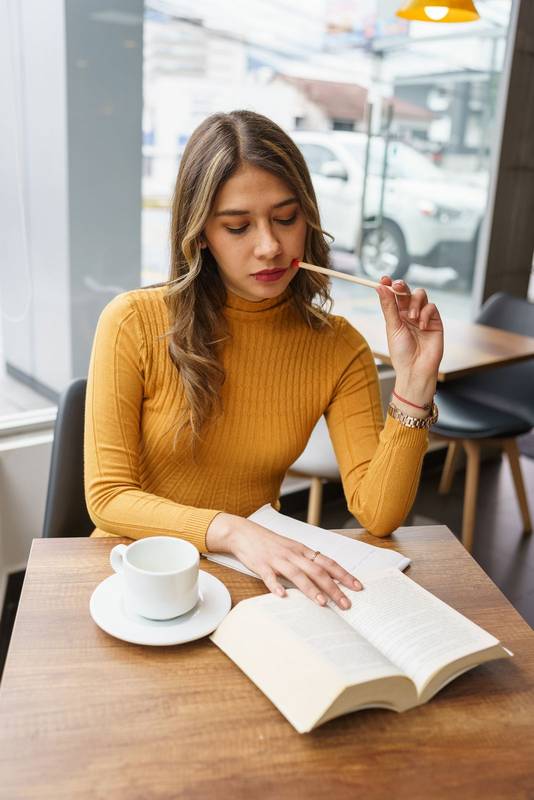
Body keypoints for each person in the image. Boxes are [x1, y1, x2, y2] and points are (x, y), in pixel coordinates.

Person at [85, 109, 443, 612]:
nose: (270, 246)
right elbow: (108, 497)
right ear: (201, 233)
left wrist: (415, 382)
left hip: (254, 579)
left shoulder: (339, 348)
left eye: (285, 218)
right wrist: (232, 529)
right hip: (135, 574)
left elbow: (378, 515)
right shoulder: (132, 322)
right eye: (238, 226)